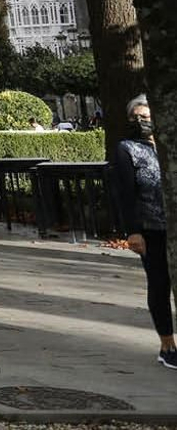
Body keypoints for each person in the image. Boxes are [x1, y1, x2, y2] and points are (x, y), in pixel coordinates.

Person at [113, 94, 176, 369]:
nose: (141, 122)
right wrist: (133, 232)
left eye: (146, 117)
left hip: (173, 227)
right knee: (160, 283)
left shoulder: (169, 146)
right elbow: (126, 194)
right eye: (136, 117)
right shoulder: (127, 149)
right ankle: (167, 344)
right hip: (151, 229)